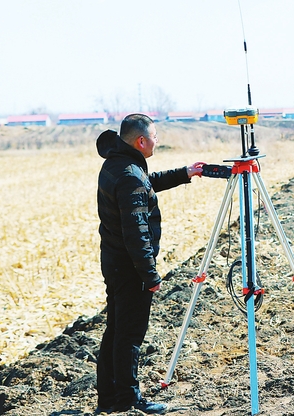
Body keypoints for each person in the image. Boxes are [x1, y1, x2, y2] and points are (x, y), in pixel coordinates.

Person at [95, 113, 204, 414]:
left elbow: (146, 184)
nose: (158, 140)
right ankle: (129, 399)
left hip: (115, 263)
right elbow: (136, 232)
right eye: (155, 136)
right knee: (129, 336)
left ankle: (109, 399)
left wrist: (185, 172)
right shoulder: (129, 174)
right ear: (141, 141)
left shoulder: (118, 165)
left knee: (115, 330)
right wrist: (150, 275)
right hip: (130, 269)